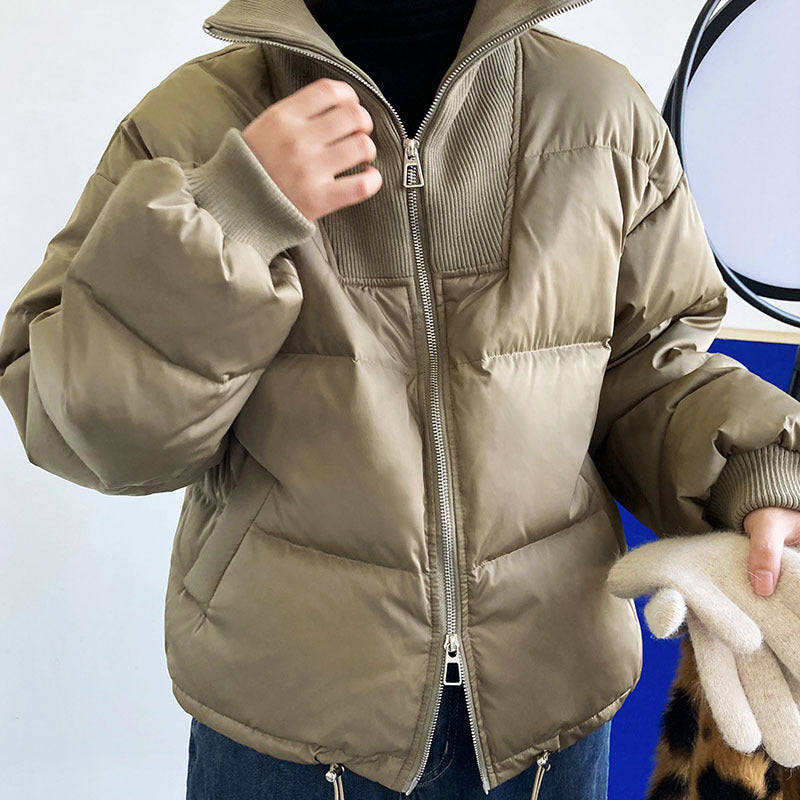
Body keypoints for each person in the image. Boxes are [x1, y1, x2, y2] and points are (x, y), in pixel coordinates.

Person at [1, 0, 799, 798]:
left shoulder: (601, 114)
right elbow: (92, 428)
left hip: (547, 722)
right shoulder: (192, 124)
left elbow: (649, 370)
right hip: (286, 732)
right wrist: (233, 214)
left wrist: (754, 476)